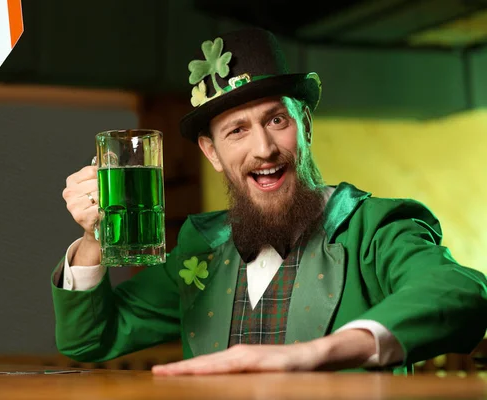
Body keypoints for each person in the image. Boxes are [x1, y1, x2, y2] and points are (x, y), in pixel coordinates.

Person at [51, 28, 487, 375]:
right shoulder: (201, 246)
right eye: (237, 130)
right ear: (212, 153)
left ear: (307, 126)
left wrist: (320, 353)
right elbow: (91, 340)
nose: (263, 148)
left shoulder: (376, 227)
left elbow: (463, 292)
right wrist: (94, 238)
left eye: (277, 120)